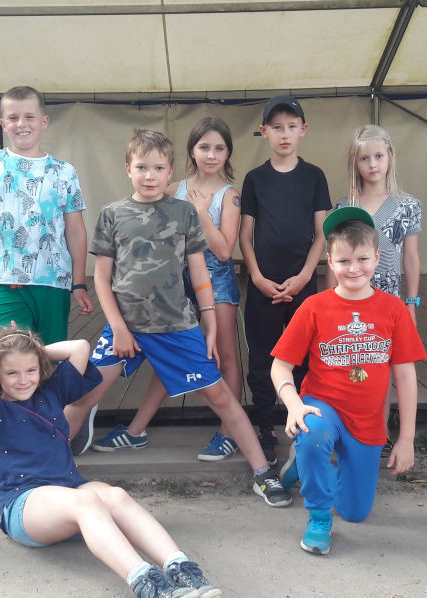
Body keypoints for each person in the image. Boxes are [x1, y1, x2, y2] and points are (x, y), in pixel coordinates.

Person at [64, 129, 291, 508]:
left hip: (178, 327)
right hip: (126, 328)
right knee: (82, 397)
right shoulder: (112, 214)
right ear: (127, 169)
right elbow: (101, 278)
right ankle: (41, 471)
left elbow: (199, 272)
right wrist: (117, 327)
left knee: (221, 397)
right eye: (141, 167)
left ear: (171, 172)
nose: (149, 176)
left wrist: (210, 322)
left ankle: (263, 472)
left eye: (158, 168)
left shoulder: (183, 212)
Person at [0, 324, 222, 598]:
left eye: (30, 370)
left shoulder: (49, 393)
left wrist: (29, 350)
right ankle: (144, 584)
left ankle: (180, 567)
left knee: (115, 495)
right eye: (12, 373)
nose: (23, 380)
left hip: (70, 491)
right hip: (25, 504)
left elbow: (80, 347)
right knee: (86, 501)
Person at [0, 85, 94, 499]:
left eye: (29, 116)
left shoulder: (64, 171)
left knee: (45, 368)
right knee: (11, 366)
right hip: (6, 279)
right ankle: (17, 464)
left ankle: (54, 452)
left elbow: (76, 230)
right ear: (2, 123)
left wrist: (79, 281)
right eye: (13, 117)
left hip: (54, 282)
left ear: (44, 121)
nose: (21, 124)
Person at [271, 207, 427, 555]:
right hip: (322, 406)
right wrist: (294, 405)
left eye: (362, 259)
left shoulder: (394, 310)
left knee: (355, 512)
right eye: (343, 261)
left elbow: (406, 377)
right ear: (330, 261)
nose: (354, 268)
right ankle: (318, 516)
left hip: (367, 420)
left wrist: (406, 439)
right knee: (313, 433)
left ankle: (304, 467)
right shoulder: (314, 307)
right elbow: (280, 367)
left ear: (377, 257)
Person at [92, 117, 245, 461]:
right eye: (204, 147)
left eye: (219, 148)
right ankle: (136, 430)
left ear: (228, 153)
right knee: (170, 358)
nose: (211, 155)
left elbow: (224, 251)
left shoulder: (230, 195)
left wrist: (201, 212)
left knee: (222, 356)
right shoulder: (171, 187)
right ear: (191, 151)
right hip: (173, 285)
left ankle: (229, 433)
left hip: (215, 282)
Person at [240, 96, 331, 462]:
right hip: (263, 286)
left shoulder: (314, 176)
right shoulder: (255, 179)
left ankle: (305, 426)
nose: (284, 134)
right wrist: (257, 277)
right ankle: (265, 427)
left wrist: (305, 276)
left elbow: (322, 233)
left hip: (302, 286)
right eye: (276, 127)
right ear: (264, 132)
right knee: (262, 359)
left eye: (292, 126)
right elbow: (245, 236)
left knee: (306, 358)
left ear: (303, 130)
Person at [334, 124, 423, 454]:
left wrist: (411, 302)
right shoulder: (345, 206)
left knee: (381, 369)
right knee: (351, 365)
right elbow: (336, 258)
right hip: (351, 297)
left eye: (378, 156)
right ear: (354, 162)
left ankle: (378, 435)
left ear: (390, 157)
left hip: (388, 299)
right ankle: (351, 433)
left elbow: (411, 258)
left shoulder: (407, 205)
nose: (372, 164)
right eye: (364, 158)